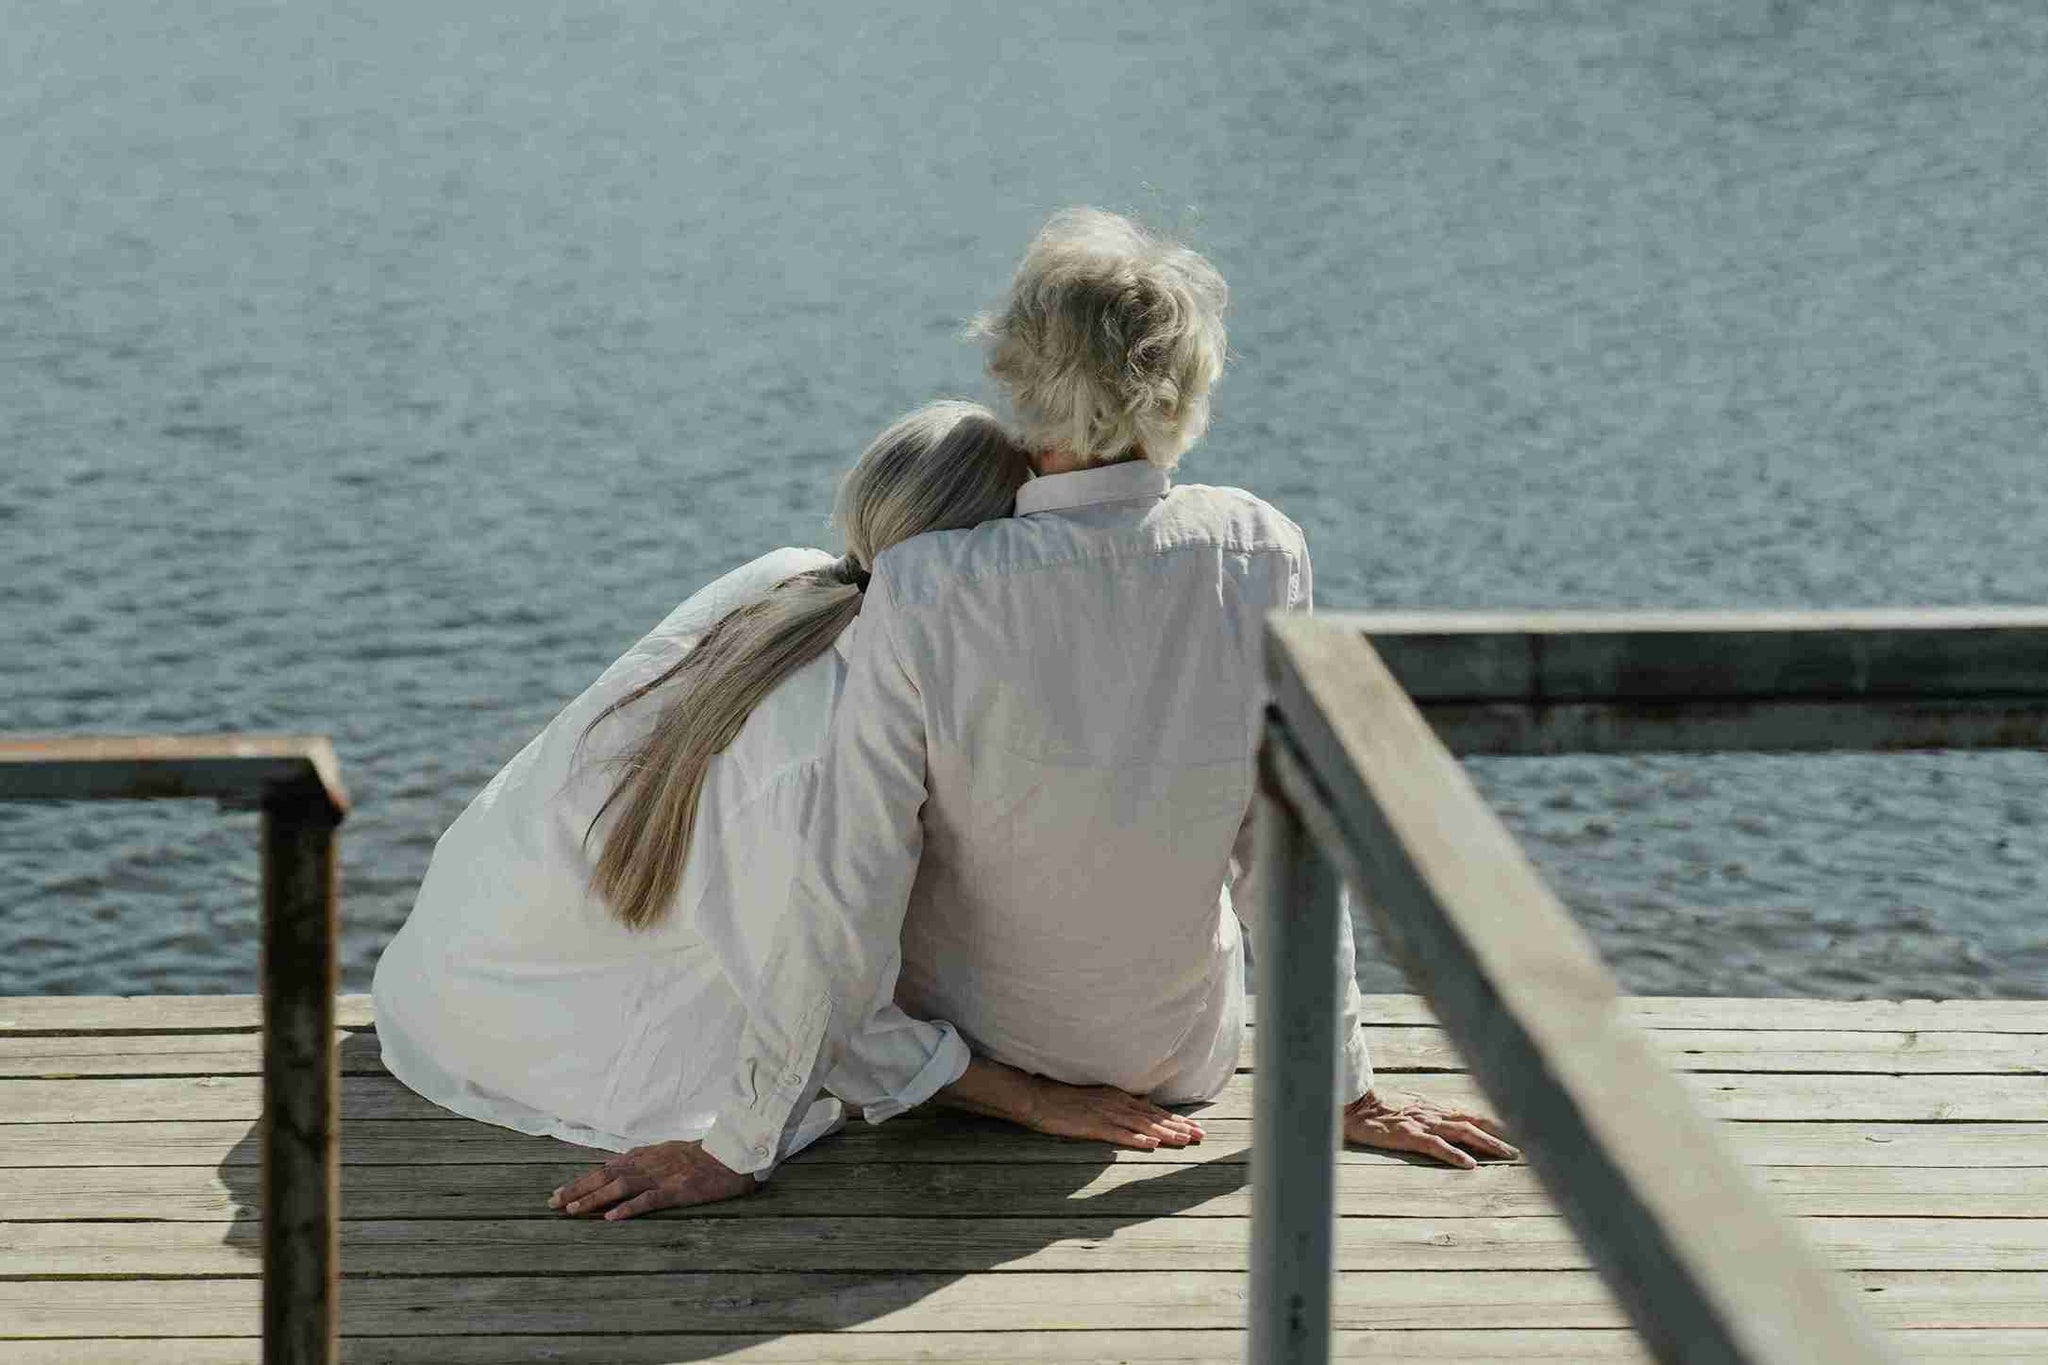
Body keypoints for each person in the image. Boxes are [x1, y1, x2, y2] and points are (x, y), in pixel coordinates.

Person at [551, 209, 1514, 1220]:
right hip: (1175, 1057)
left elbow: (847, 888)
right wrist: (1342, 1086)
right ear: (1190, 386)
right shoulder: (1261, 550)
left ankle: (990, 1097)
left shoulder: (928, 585)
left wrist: (742, 1145)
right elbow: (1282, 842)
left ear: (1017, 379)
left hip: (974, 1053)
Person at [373, 400, 1206, 1175]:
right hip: (539, 1046)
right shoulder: (831, 735)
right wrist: (1034, 1098)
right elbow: (827, 1013)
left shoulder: (790, 578)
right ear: (969, 559)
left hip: (453, 971)